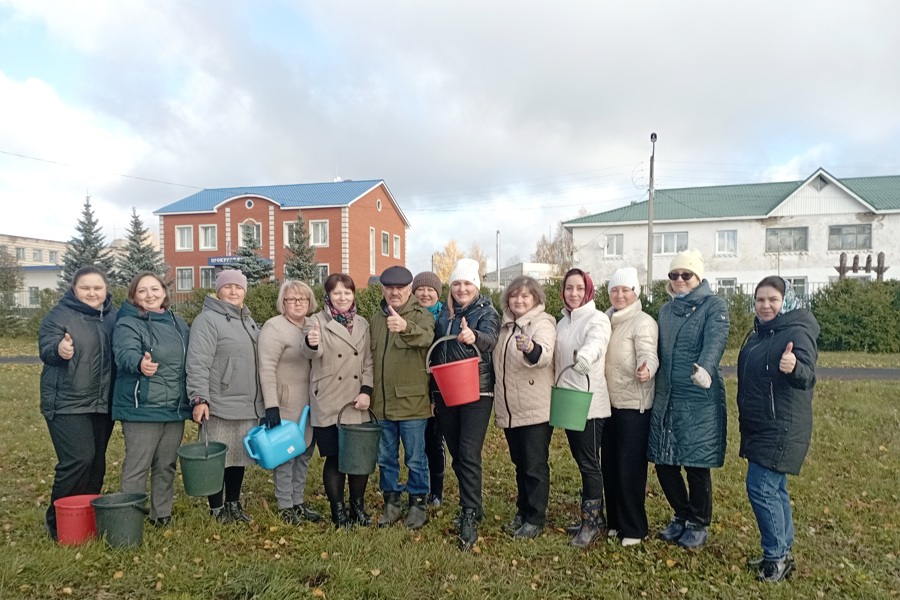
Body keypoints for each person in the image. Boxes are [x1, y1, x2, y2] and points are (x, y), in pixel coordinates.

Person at [738, 276, 818, 582]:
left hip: (782, 425)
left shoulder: (797, 330)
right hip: (761, 423)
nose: (766, 305)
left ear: (787, 300)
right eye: (760, 299)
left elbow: (808, 376)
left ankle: (775, 558)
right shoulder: (760, 332)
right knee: (775, 488)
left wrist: (794, 367)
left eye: (773, 299)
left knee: (760, 487)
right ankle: (781, 552)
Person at [648, 249, 729, 549]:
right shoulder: (665, 310)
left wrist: (706, 369)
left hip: (698, 395)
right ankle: (681, 514)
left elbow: (716, 339)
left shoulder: (714, 306)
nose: (679, 280)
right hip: (667, 393)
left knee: (696, 462)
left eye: (686, 274)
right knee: (663, 461)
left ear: (698, 277)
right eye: (674, 274)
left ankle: (698, 521)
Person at [38, 265, 117, 541]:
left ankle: (84, 518)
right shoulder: (60, 315)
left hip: (101, 404)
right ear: (75, 289)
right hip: (66, 402)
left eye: (97, 287)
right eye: (86, 288)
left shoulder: (113, 317)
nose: (92, 293)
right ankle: (57, 522)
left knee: (96, 463)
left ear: (106, 289)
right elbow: (46, 347)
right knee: (78, 460)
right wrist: (60, 349)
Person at [112, 271, 190, 527]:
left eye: (155, 289)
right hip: (142, 408)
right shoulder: (128, 322)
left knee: (166, 465)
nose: (150, 295)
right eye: (143, 290)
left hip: (173, 407)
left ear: (164, 293)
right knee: (138, 465)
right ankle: (129, 518)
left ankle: (161, 515)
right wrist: (138, 363)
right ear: (134, 295)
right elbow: (124, 353)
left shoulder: (179, 323)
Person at [432, 258, 500, 551]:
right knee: (458, 454)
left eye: (467, 283)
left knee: (469, 453)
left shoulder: (486, 311)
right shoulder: (444, 316)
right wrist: (432, 393)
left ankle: (469, 514)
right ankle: (476, 504)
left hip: (476, 391)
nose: (462, 288)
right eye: (457, 283)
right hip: (446, 391)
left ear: (476, 286)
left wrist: (474, 336)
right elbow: (436, 354)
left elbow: (491, 338)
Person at [186, 269, 263, 524]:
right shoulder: (207, 320)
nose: (233, 291)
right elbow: (197, 362)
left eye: (238, 287)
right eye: (227, 287)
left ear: (245, 291)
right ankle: (217, 509)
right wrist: (199, 398)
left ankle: (233, 503)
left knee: (238, 458)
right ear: (218, 290)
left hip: (246, 403)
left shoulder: (248, 320)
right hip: (219, 402)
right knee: (218, 458)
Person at [302, 273, 374, 528]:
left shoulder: (363, 323)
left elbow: (367, 361)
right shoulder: (316, 321)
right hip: (329, 398)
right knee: (335, 458)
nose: (342, 297)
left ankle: (358, 507)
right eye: (337, 292)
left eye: (347, 292)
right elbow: (312, 351)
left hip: (357, 400)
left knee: (358, 457)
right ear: (328, 295)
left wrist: (366, 390)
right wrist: (311, 343)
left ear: (354, 294)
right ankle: (338, 512)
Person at [370, 266, 435, 529]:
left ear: (409, 289)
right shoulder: (375, 317)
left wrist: (405, 326)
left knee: (415, 457)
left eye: (400, 288)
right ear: (384, 289)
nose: (394, 292)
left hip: (412, 404)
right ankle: (391, 502)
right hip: (382, 404)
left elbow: (427, 338)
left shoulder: (422, 316)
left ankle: (418, 503)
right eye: (389, 288)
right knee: (385, 457)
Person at [492, 276, 557, 538]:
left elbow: (544, 355)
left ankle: (535, 518)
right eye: (514, 295)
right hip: (510, 408)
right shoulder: (505, 326)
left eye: (525, 296)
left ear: (535, 300)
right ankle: (522, 510)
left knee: (534, 466)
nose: (519, 300)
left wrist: (531, 348)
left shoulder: (542, 323)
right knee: (520, 464)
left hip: (535, 408)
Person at [555, 268, 612, 548]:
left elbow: (596, 343)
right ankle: (593, 518)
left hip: (589, 404)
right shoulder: (562, 322)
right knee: (581, 460)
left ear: (588, 290)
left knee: (589, 463)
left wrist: (585, 357)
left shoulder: (597, 318)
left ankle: (591, 523)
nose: (573, 293)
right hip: (568, 400)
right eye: (569, 288)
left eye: (579, 288)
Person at [602, 267, 659, 546]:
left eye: (626, 290)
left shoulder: (643, 322)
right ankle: (614, 521)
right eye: (615, 290)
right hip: (607, 403)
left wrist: (646, 367)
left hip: (633, 405)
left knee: (629, 468)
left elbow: (648, 352)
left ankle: (635, 528)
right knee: (609, 464)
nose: (620, 295)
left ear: (635, 292)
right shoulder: (605, 320)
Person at [257, 280, 321, 525]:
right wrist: (271, 405)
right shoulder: (274, 327)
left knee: (304, 452)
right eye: (292, 299)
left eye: (303, 299)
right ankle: (285, 504)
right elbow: (266, 368)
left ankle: (298, 501)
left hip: (309, 402)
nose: (298, 304)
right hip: (285, 402)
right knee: (286, 455)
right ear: (283, 303)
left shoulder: (312, 325)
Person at [412, 271, 445, 506]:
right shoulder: (408, 317)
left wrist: (436, 393)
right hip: (413, 387)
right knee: (416, 443)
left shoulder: (445, 318)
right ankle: (418, 486)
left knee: (434, 441)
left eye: (430, 290)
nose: (425, 294)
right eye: (420, 289)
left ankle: (436, 490)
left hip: (437, 388)